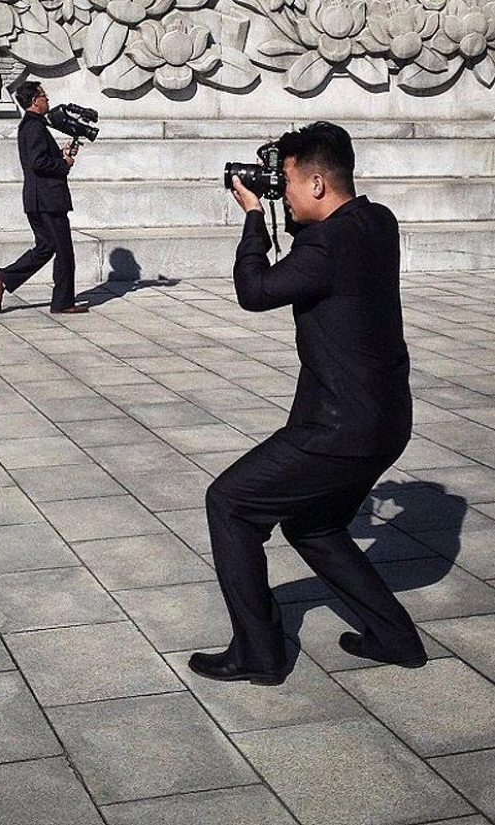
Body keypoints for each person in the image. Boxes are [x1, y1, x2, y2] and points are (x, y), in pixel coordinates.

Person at [189, 121, 426, 686]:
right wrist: (285, 211)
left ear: (319, 184)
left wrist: (252, 217)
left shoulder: (327, 243)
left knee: (230, 503)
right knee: (315, 524)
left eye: (287, 181)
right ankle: (394, 637)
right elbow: (319, 259)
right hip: (387, 420)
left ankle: (259, 653)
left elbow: (256, 292)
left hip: (338, 427)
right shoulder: (376, 221)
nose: (280, 191)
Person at [0, 81, 88, 315]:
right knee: (63, 251)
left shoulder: (31, 126)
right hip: (47, 199)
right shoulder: (34, 127)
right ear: (34, 100)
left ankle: (3, 278)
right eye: (44, 96)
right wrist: (63, 163)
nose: (47, 100)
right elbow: (38, 163)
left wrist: (60, 155)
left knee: (46, 247)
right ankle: (62, 302)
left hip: (38, 198)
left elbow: (39, 159)